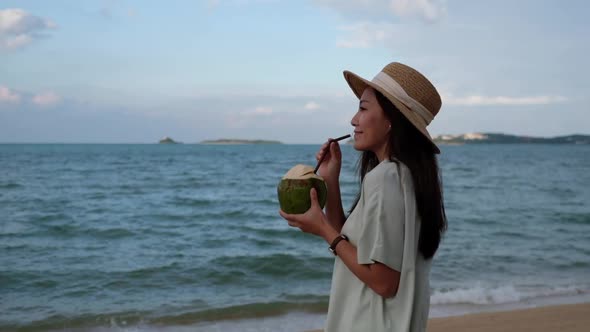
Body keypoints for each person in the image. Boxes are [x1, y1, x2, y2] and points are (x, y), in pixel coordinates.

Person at [279, 62, 447, 332]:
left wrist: (323, 229)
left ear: (391, 120)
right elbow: (355, 247)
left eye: (363, 108)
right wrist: (331, 180)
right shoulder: (407, 176)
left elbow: (383, 282)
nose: (353, 120)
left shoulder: (385, 178)